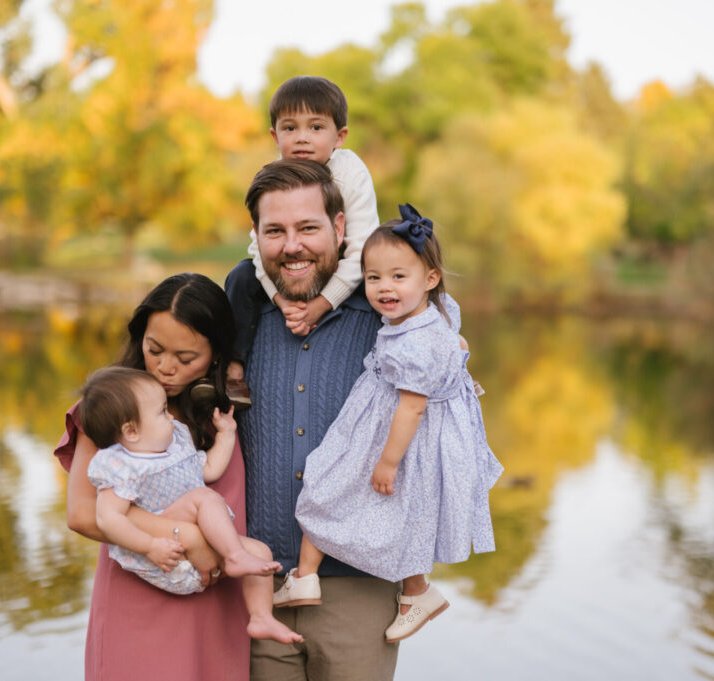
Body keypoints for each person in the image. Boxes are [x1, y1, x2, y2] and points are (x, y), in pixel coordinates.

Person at [275, 205, 503, 642]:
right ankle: (344, 582)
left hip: (399, 433)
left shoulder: (416, 341)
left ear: (430, 279)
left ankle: (322, 578)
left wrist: (387, 462)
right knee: (364, 496)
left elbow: (412, 408)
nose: (384, 288)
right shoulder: (429, 315)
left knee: (331, 483)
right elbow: (456, 338)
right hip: (392, 421)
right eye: (374, 278)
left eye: (399, 277)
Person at [225, 159, 393, 680]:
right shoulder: (233, 323)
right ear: (256, 237)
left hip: (357, 586)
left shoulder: (389, 322)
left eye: (308, 228)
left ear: (340, 229)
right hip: (256, 588)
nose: (291, 246)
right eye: (275, 230)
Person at [54, 273, 252, 680]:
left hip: (217, 603)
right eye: (154, 349)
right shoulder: (112, 412)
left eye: (185, 358)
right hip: (141, 590)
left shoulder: (224, 414)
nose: (165, 368)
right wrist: (188, 537)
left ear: (215, 354)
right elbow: (82, 513)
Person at [78, 366, 302, 644]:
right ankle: (233, 557)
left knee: (261, 551)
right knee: (203, 497)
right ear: (131, 431)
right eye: (162, 412)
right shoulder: (120, 463)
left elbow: (208, 469)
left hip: (199, 556)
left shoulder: (173, 447)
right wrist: (149, 545)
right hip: (164, 556)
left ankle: (261, 618)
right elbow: (109, 519)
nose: (170, 417)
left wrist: (227, 435)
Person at [223, 75, 380, 406]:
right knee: (240, 276)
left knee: (392, 273)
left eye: (316, 128)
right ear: (274, 135)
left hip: (352, 262)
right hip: (291, 279)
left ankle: (431, 340)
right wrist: (283, 303)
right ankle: (233, 368)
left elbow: (363, 251)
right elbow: (258, 251)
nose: (302, 138)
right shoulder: (272, 178)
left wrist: (319, 306)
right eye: (290, 128)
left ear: (340, 136)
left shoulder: (350, 171)